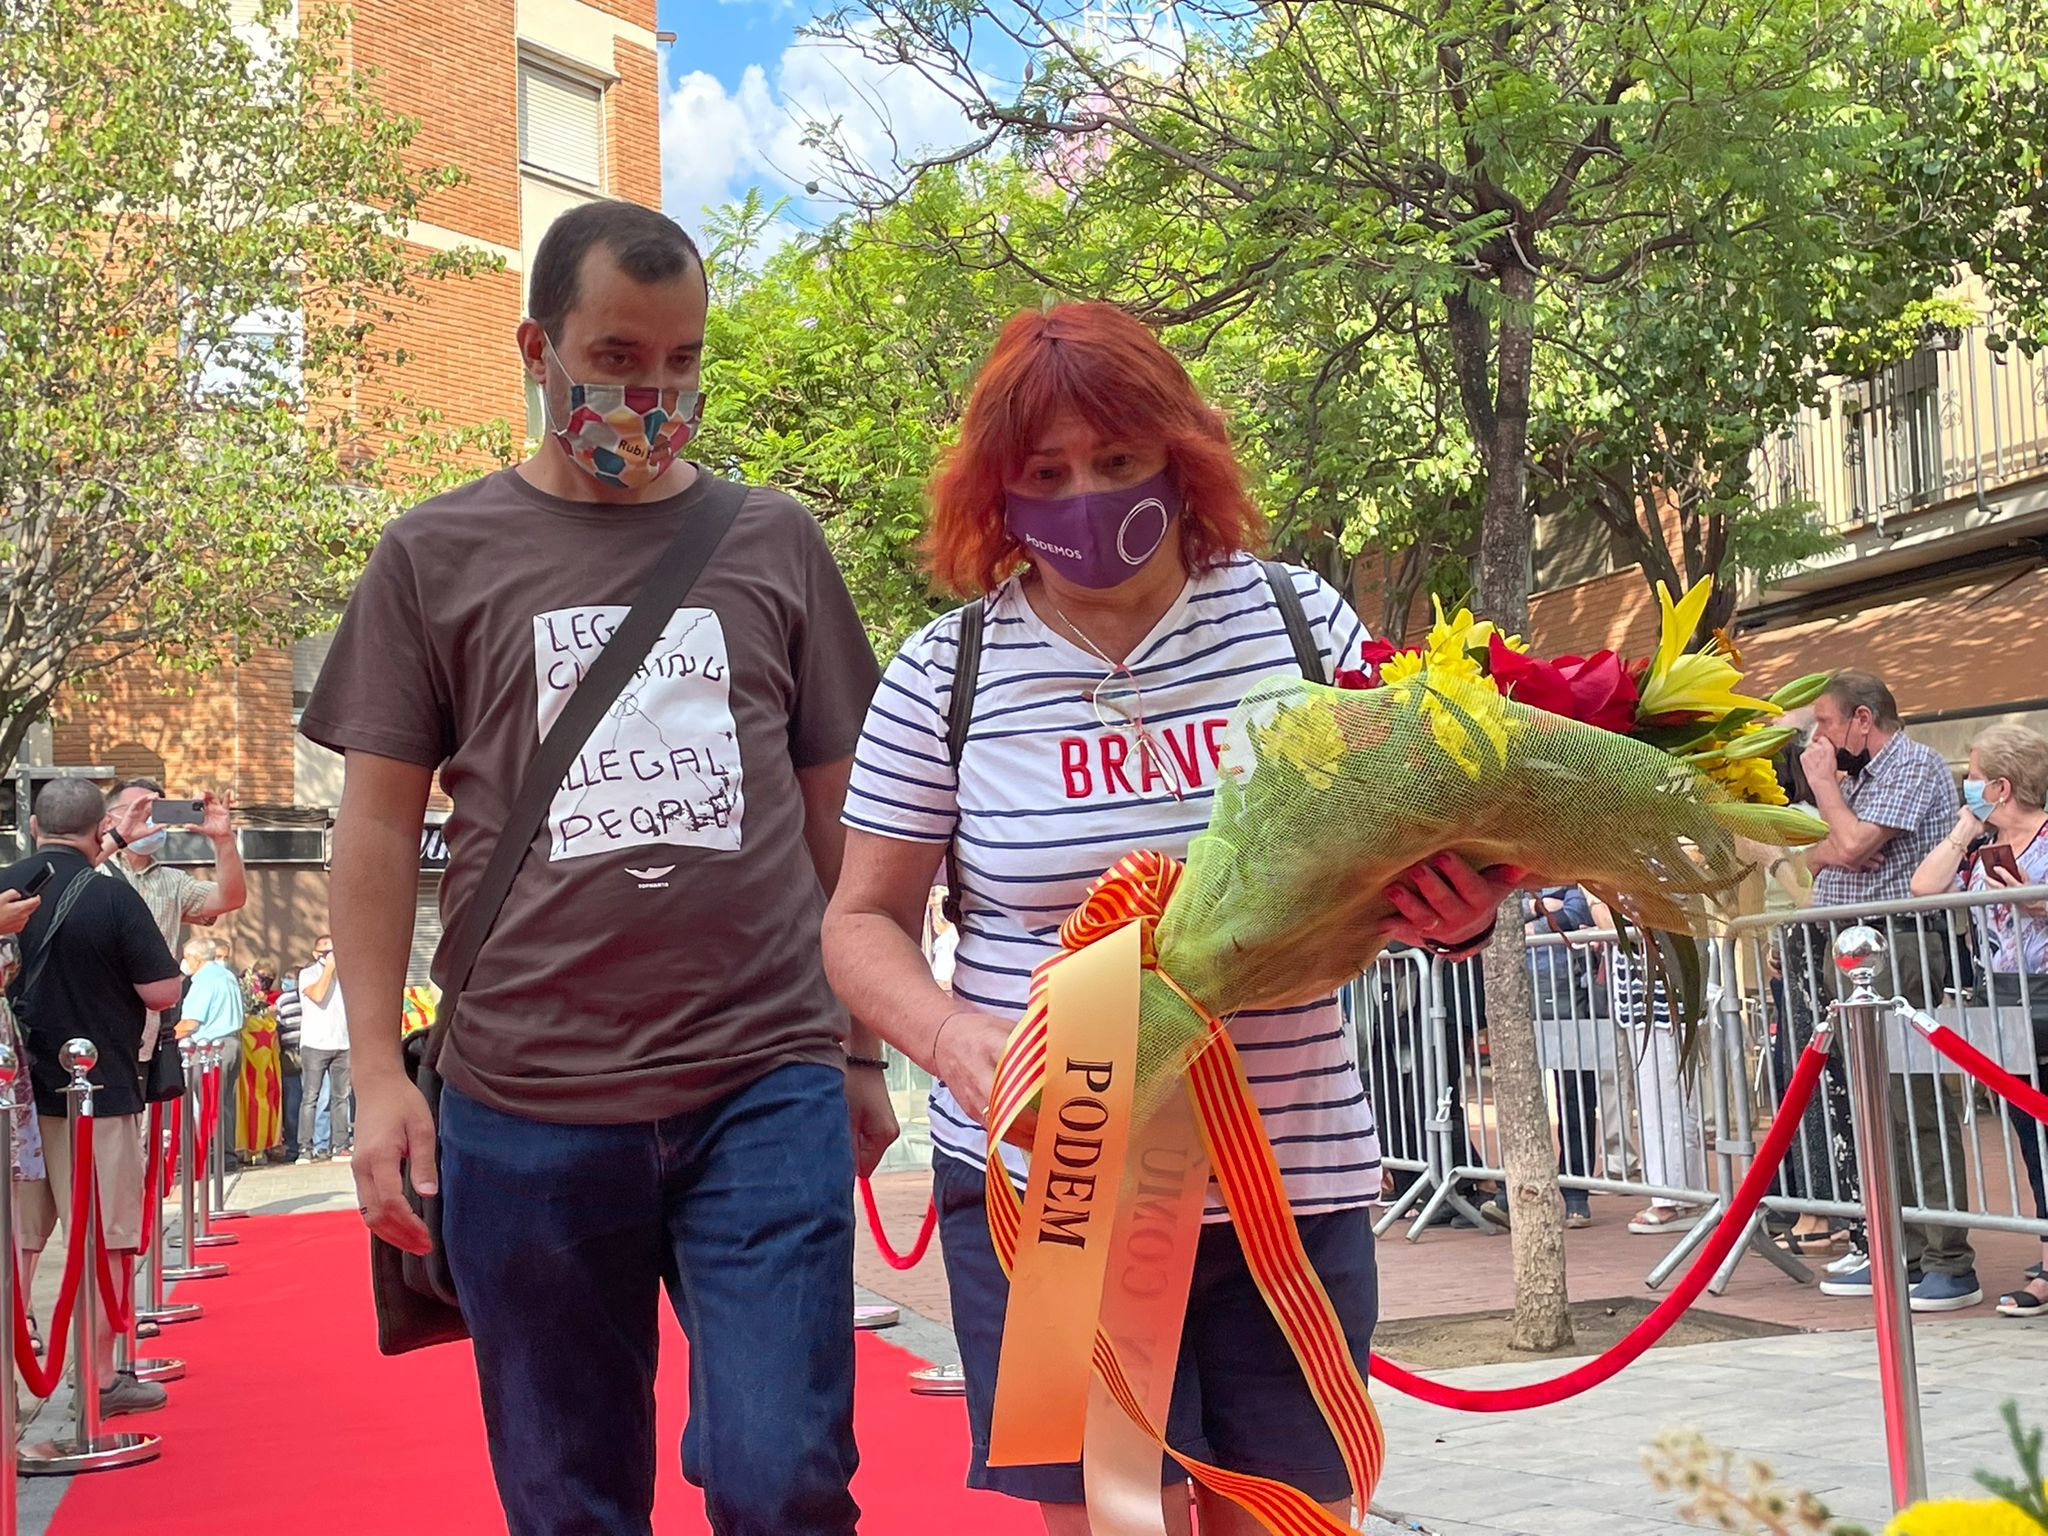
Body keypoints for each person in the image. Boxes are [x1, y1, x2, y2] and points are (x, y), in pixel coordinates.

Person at [821, 301, 1515, 1534]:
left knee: (1292, 1515)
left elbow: (1404, 860)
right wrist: (954, 1048)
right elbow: (860, 923)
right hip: (1052, 1186)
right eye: (1045, 474)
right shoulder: (946, 674)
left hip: (1284, 1186)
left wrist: (1453, 916)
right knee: (1109, 1516)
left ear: (1177, 456)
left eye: (1117, 461)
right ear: (996, 488)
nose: (1083, 496)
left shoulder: (1301, 626)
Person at [299, 199, 895, 1536]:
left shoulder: (774, 539)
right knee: (571, 1505)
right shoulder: (433, 555)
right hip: (526, 1106)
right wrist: (385, 1077)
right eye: (620, 358)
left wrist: (861, 1048)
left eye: (683, 361)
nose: (656, 391)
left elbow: (835, 813)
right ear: (537, 347)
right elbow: (379, 827)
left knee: (784, 1475)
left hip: (764, 1080)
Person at [3, 778, 183, 1417]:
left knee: (17, 1238)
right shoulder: (113, 899)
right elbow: (162, 991)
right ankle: (100, 1376)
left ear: (31, 826)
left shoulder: (5, 885)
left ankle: (7, 1387)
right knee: (106, 1234)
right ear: (95, 830)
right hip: (98, 1091)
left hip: (15, 1096)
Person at [1804, 671, 1978, 1311]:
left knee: (1915, 1100)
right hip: (1851, 945)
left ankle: (1948, 1259)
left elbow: (1849, 843)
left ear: (1862, 720)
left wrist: (1828, 802)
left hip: (1898, 942)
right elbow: (1820, 854)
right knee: (1875, 1105)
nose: (1816, 739)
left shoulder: (1915, 766)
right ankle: (1898, 1251)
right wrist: (1833, 846)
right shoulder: (1857, 782)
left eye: (1824, 722)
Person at [1910, 723, 2048, 1318]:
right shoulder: (1980, 845)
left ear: (2000, 784)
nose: (1963, 783)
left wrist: (2035, 900)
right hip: (2005, 998)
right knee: (2029, 1133)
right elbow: (1923, 887)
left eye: (1971, 775)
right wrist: (1968, 825)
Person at [1526, 886, 1606, 1227]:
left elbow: (1574, 914)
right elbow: (1500, 919)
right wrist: (1538, 906)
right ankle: (1524, 1187)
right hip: (1528, 1003)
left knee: (1575, 1098)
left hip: (1574, 1002)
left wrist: (1531, 922)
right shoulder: (1517, 880)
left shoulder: (1572, 883)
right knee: (1526, 1102)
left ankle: (1575, 1190)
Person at [295, 935, 351, 1162]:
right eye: (325, 951)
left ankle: (340, 1144)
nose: (331, 955)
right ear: (316, 954)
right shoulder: (307, 974)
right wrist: (328, 969)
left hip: (342, 1043)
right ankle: (305, 1148)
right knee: (311, 1097)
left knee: (341, 1097)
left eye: (333, 950)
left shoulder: (345, 975)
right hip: (315, 1044)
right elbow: (317, 995)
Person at [274, 970, 304, 1164]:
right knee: (303, 1100)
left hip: (293, 1052)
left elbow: (277, 1025)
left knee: (294, 1101)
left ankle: (295, 1147)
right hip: (299, 1052)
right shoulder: (292, 999)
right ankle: (305, 1145)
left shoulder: (284, 1000)